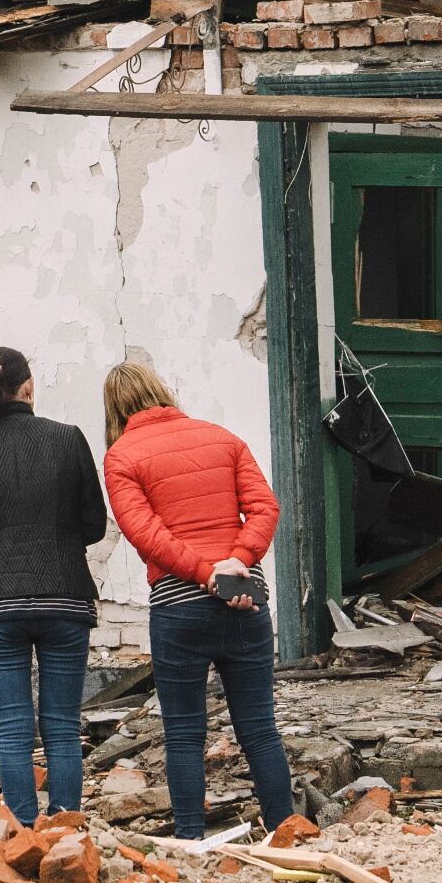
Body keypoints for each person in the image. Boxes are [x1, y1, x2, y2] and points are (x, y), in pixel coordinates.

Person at [100, 359, 300, 840]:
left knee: (185, 735)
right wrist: (236, 561)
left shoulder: (121, 457)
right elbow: (264, 507)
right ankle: (289, 834)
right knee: (259, 730)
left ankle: (190, 839)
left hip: (179, 609)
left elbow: (146, 535)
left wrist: (204, 573)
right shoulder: (222, 437)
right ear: (162, 390)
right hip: (244, 599)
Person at [0, 344, 107, 823]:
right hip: (65, 598)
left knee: (12, 729)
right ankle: (66, 829)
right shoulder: (69, 439)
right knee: (61, 726)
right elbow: (94, 524)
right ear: (28, 385)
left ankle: (24, 832)